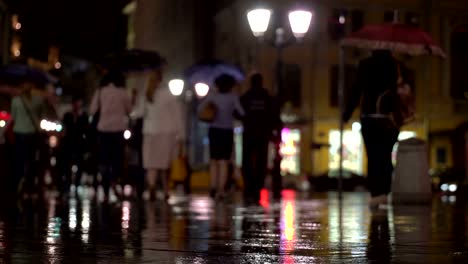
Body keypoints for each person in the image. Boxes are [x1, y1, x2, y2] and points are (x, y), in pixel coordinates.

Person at [343, 50, 404, 207]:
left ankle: (376, 193)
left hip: (370, 117)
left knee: (373, 156)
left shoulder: (365, 64)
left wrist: (346, 114)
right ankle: (384, 191)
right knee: (385, 156)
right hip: (389, 119)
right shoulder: (395, 65)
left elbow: (356, 90)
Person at [133, 70, 185, 201]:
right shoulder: (169, 95)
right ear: (162, 80)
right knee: (164, 164)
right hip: (166, 133)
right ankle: (166, 189)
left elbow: (138, 113)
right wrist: (181, 134)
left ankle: (151, 186)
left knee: (151, 164)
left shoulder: (146, 95)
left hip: (150, 132)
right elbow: (177, 116)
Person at [199, 74, 244, 200]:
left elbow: (200, 109)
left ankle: (213, 185)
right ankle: (221, 189)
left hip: (214, 130)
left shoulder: (213, 97)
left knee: (214, 160)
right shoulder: (233, 97)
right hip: (227, 131)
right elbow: (241, 112)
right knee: (224, 161)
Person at [90, 71, 132, 202]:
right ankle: (115, 180)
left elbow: (92, 110)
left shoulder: (101, 91)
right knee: (117, 159)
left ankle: (106, 191)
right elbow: (129, 110)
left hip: (103, 129)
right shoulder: (123, 92)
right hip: (118, 128)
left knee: (104, 161)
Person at [240, 73, 278, 204]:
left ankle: (249, 188)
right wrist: (274, 130)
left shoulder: (246, 97)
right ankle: (258, 187)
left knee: (248, 162)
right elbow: (273, 114)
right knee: (261, 162)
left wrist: (246, 120)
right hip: (262, 134)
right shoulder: (266, 97)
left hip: (249, 133)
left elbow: (238, 112)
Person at [11, 81, 45, 197]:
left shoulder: (15, 101)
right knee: (31, 160)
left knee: (19, 160)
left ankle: (18, 183)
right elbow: (40, 116)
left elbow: (13, 117)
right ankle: (29, 186)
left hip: (19, 133)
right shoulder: (38, 100)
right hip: (31, 134)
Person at [58, 95, 89, 196]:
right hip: (68, 142)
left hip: (78, 143)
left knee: (79, 164)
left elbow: (86, 129)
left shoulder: (83, 116)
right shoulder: (68, 115)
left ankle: (76, 184)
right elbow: (64, 127)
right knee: (67, 165)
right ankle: (67, 184)